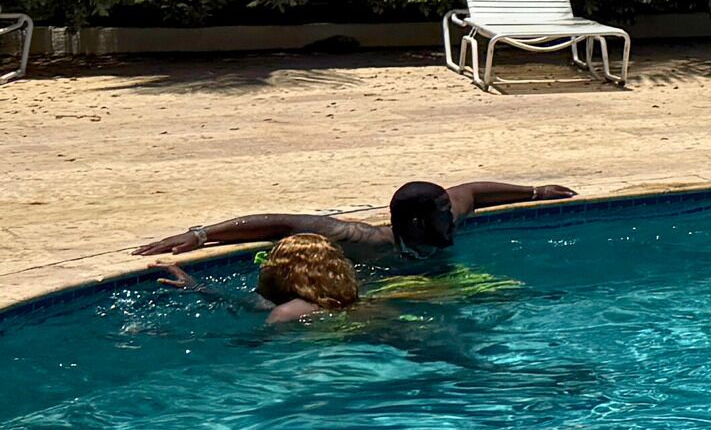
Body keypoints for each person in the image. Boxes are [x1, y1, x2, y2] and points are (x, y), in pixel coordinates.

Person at [135, 177, 573, 271]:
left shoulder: (445, 219)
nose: (453, 216)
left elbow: (472, 191)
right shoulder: (364, 241)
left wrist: (534, 193)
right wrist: (200, 235)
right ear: (417, 222)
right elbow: (280, 222)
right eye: (443, 213)